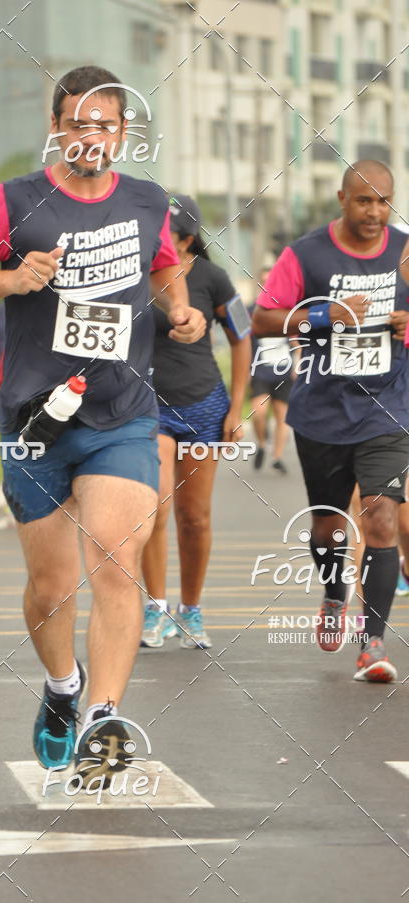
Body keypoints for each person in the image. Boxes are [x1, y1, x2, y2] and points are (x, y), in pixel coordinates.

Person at [0, 66, 206, 786]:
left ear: (124, 133)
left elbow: (162, 268)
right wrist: (12, 279)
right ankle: (62, 687)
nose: (91, 135)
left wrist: (181, 310)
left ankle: (101, 715)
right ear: (58, 128)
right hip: (35, 418)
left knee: (116, 563)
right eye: (77, 122)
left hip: (122, 410)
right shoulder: (16, 200)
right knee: (51, 587)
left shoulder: (151, 202)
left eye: (106, 124)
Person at [253, 160, 409, 682]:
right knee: (327, 527)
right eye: (364, 201)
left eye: (383, 201)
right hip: (321, 411)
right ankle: (333, 592)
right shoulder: (307, 253)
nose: (375, 212)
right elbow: (263, 318)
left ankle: (372, 643)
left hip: (387, 407)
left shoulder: (404, 251)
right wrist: (325, 314)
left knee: (381, 517)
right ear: (342, 199)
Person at [140, 193, 251, 650]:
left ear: (185, 238)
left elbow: (242, 338)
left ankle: (192, 611)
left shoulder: (214, 278)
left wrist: (237, 405)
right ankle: (155, 609)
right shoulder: (137, 277)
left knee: (195, 518)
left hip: (205, 407)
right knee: (157, 507)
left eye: (164, 231)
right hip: (149, 407)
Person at [250, 267, 294, 474]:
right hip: (260, 370)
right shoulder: (251, 309)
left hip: (284, 370)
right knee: (258, 413)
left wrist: (300, 362)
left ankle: (276, 457)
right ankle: (261, 444)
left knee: (282, 417)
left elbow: (297, 338)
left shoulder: (288, 309)